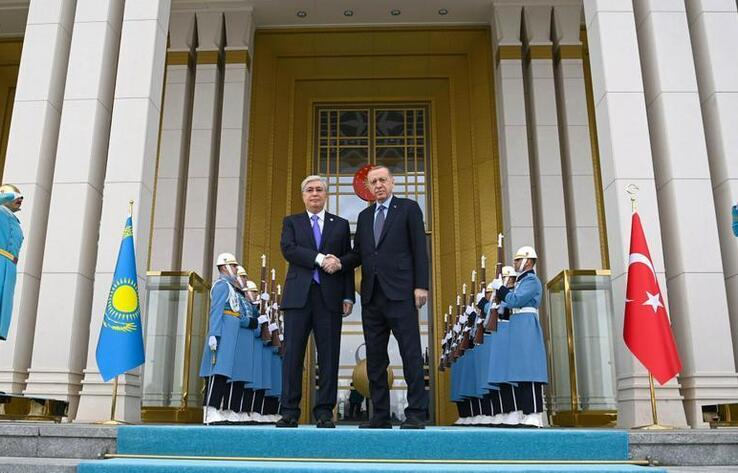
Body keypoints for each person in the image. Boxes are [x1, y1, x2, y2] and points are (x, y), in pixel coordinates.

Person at [340, 165, 429, 429]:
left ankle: (416, 414)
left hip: (402, 293)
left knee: (410, 354)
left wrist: (420, 286)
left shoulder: (409, 209)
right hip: (372, 297)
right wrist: (337, 262)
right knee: (376, 359)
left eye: (382, 180)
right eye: (373, 182)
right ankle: (379, 416)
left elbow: (419, 249)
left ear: (392, 183)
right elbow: (359, 254)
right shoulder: (365, 217)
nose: (378, 185)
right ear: (368, 188)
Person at [277, 175, 354, 428]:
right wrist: (320, 259)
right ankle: (289, 411)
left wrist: (348, 295)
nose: (314, 193)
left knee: (329, 356)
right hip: (298, 297)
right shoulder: (292, 222)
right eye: (309, 190)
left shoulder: (340, 225)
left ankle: (324, 412)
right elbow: (288, 249)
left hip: (330, 298)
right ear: (303, 195)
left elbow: (346, 263)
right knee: (292, 357)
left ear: (326, 194)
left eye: (319, 189)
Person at [491, 246, 547, 428]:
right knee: (521, 371)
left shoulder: (531, 280)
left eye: (517, 259)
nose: (515, 263)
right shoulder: (522, 282)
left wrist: (501, 289)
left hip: (526, 323)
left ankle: (534, 414)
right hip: (518, 322)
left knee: (529, 370)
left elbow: (516, 300)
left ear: (528, 261)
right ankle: (526, 412)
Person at [199, 252, 242, 425]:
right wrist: (214, 334)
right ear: (224, 267)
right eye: (233, 266)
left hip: (229, 336)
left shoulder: (230, 287)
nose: (236, 269)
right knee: (216, 372)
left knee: (223, 373)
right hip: (222, 334)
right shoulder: (221, 286)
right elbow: (216, 311)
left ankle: (216, 408)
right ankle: (209, 410)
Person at [0, 184, 23, 341]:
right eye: (16, 195)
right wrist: (9, 195)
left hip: (11, 266)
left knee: (4, 307)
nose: (20, 199)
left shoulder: (17, 223)